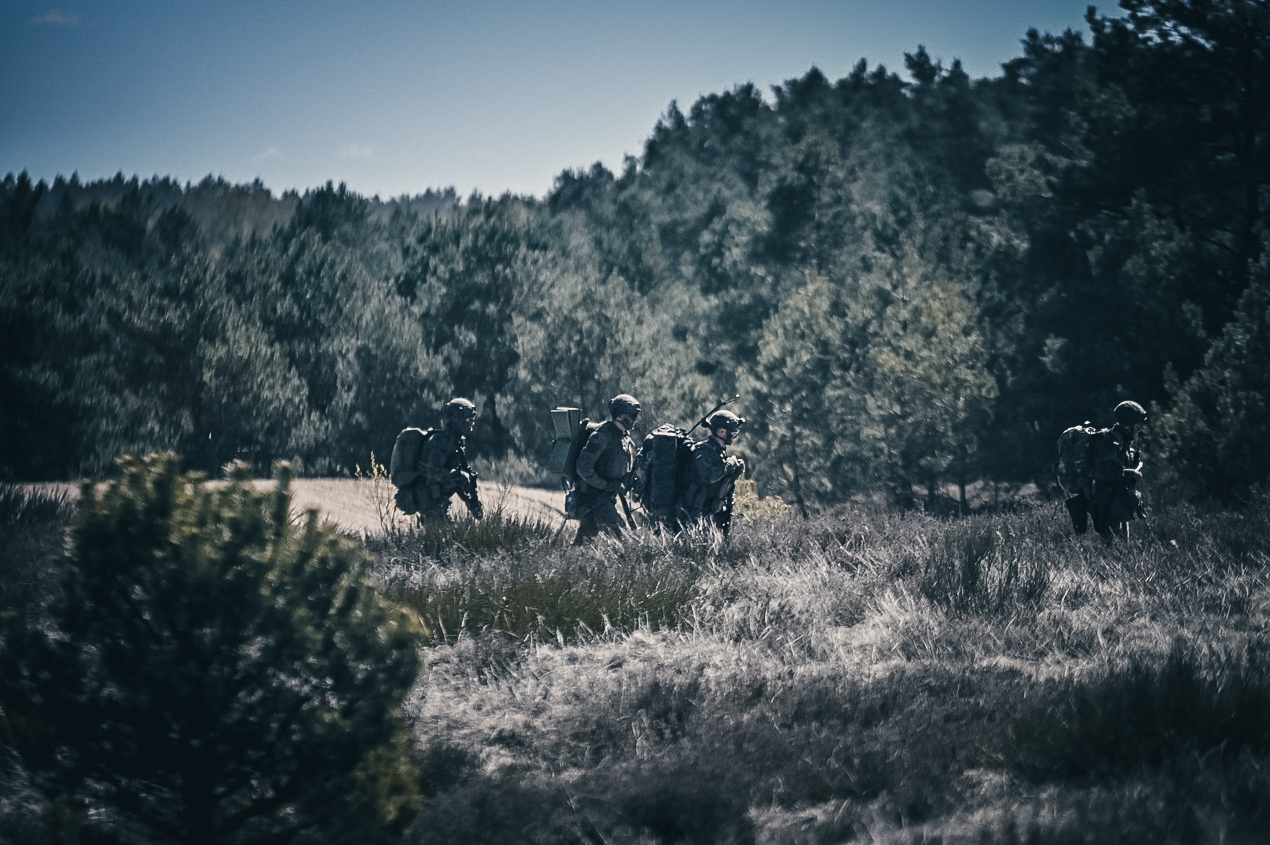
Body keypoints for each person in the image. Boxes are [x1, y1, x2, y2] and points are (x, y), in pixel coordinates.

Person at [573, 394, 640, 544]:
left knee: (583, 543)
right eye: (632, 415)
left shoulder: (623, 437)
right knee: (623, 537)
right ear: (621, 415)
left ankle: (568, 557)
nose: (634, 419)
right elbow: (583, 468)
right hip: (593, 499)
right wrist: (606, 485)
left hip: (605, 498)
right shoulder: (601, 436)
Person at [676, 410, 746, 535]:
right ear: (721, 431)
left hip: (710, 514)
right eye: (732, 432)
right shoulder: (701, 450)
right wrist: (729, 464)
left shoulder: (719, 452)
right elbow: (709, 477)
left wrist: (735, 473)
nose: (734, 436)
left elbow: (721, 483)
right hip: (694, 515)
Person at [413, 397, 483, 522]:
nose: (472, 423)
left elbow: (457, 479)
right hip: (427, 495)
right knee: (440, 530)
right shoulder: (440, 440)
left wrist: (469, 500)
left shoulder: (457, 441)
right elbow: (433, 472)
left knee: (445, 530)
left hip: (439, 497)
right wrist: (458, 476)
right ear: (457, 419)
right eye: (469, 419)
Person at [1088, 400, 1147, 543]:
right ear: (1128, 423)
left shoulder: (1124, 442)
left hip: (1116, 498)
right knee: (1111, 544)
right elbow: (1106, 472)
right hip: (1104, 500)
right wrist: (1130, 473)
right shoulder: (1111, 441)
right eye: (1137, 425)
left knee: (1121, 544)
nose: (1138, 429)